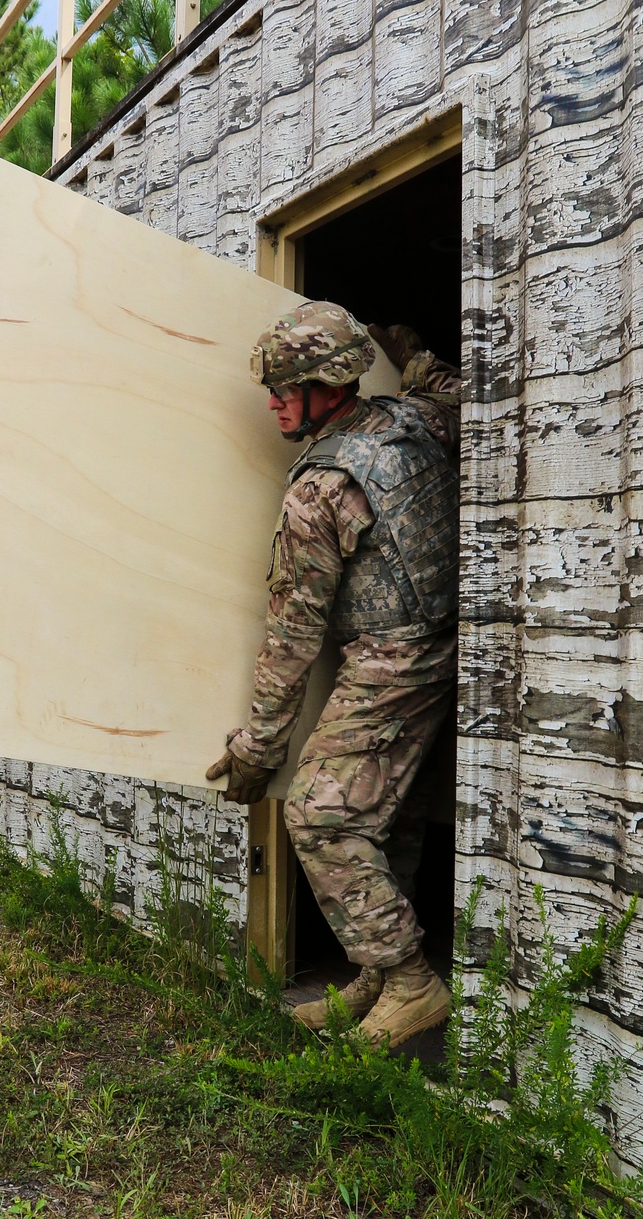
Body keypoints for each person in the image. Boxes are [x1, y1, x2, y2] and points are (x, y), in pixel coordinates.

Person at [206, 301, 460, 1048]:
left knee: (320, 815)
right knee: (388, 817)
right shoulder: (413, 419)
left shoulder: (320, 488)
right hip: (441, 647)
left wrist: (260, 747)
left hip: (394, 658)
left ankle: (410, 979)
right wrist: (416, 360)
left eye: (287, 386)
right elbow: (444, 391)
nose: (274, 400)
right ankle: (374, 979)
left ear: (328, 384)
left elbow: (292, 633)